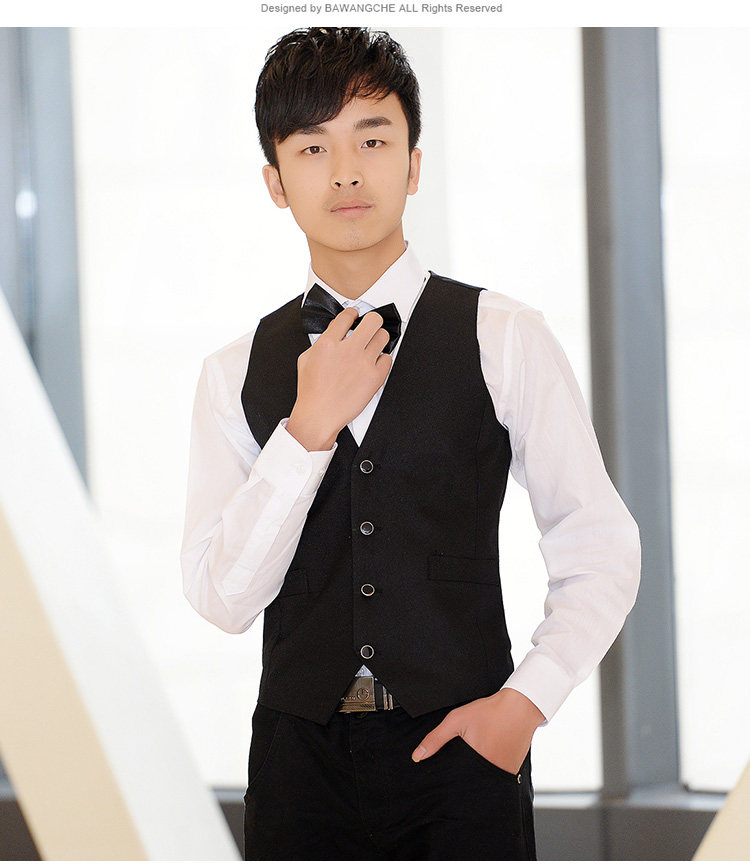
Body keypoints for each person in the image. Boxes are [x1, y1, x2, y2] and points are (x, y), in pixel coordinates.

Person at [180, 26, 641, 860]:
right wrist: (306, 430)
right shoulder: (232, 371)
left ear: (414, 164)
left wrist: (525, 705)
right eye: (312, 147)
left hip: (463, 757)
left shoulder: (504, 335)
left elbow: (600, 541)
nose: (346, 171)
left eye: (372, 139)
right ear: (275, 181)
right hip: (296, 767)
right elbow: (222, 597)